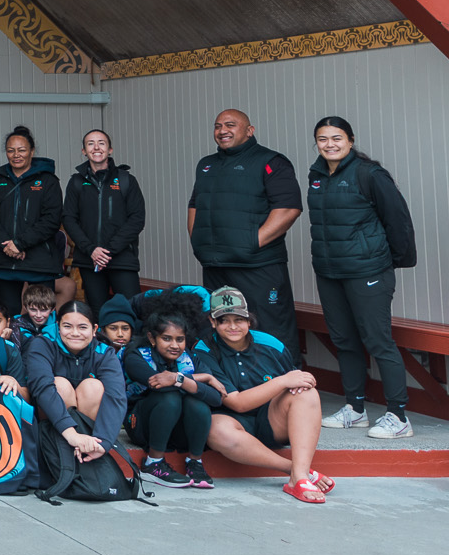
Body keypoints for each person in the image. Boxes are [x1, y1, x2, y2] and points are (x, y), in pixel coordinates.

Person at [306, 115, 417, 439]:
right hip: (329, 272)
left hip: (368, 271)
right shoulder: (316, 175)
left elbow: (398, 219)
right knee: (344, 341)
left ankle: (398, 417)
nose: (330, 144)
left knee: (378, 341)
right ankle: (355, 410)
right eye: (323, 139)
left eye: (336, 138)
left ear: (350, 140)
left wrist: (389, 262)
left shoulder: (369, 174)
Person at [195, 286, 330, 503]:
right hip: (231, 420)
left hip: (272, 419)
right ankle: (297, 472)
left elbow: (296, 381)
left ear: (249, 320)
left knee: (307, 394)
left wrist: (303, 381)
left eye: (239, 320)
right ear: (212, 322)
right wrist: (282, 381)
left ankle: (299, 478)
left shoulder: (271, 344)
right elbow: (237, 403)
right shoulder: (204, 350)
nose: (232, 326)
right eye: (224, 320)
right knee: (214, 428)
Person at [188, 108, 303, 350]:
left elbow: (288, 208)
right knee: (223, 329)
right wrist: (199, 241)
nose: (222, 130)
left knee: (269, 330)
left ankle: (285, 374)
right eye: (218, 126)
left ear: (250, 131)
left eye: (230, 125)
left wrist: (250, 243)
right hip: (215, 266)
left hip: (258, 266)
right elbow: (195, 205)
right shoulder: (206, 165)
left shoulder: (271, 162)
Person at [23, 301, 128, 479]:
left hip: (88, 433)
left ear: (94, 329)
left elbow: (116, 396)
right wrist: (71, 434)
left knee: (93, 387)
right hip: (52, 427)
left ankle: (85, 451)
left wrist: (104, 442)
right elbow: (42, 388)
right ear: (58, 326)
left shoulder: (104, 352)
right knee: (60, 386)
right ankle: (59, 453)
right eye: (67, 326)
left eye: (82, 327)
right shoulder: (42, 344)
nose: (75, 333)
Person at [123, 306, 220, 489]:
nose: (175, 345)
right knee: (171, 397)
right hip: (142, 426)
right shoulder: (136, 356)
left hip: (177, 429)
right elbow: (159, 385)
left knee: (197, 402)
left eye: (180, 339)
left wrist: (178, 378)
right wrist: (204, 379)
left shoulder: (190, 358)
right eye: (166, 339)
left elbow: (216, 398)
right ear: (152, 338)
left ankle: (195, 462)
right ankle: (153, 463)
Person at [0, 125, 65, 316]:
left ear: (32, 151)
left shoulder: (48, 181)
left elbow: (51, 219)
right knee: (7, 314)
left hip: (39, 261)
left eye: (22, 150)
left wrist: (19, 244)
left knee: (41, 314)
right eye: (11, 150)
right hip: (4, 260)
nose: (16, 155)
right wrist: (8, 245)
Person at [62, 128, 146, 312]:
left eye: (101, 143)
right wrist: (91, 250)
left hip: (122, 259)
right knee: (97, 312)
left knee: (132, 311)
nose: (96, 147)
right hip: (89, 260)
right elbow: (69, 219)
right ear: (84, 151)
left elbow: (137, 218)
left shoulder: (126, 180)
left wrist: (108, 251)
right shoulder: (76, 182)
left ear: (110, 150)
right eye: (90, 144)